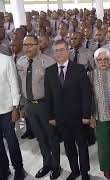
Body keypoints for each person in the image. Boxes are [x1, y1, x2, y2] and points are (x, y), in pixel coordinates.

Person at [44, 40, 92, 180]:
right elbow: (49, 96)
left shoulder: (79, 69)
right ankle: (75, 170)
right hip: (61, 118)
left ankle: (84, 172)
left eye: (61, 49)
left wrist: (86, 114)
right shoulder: (50, 71)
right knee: (69, 146)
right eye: (56, 50)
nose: (59, 53)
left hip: (78, 117)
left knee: (82, 146)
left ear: (68, 51)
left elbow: (86, 94)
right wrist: (51, 116)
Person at [16, 35, 61, 179]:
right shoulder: (21, 62)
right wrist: (22, 105)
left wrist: (54, 114)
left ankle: (56, 166)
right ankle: (46, 163)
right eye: (25, 45)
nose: (27, 48)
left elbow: (55, 90)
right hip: (30, 105)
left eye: (30, 45)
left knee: (51, 137)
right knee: (40, 138)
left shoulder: (48, 62)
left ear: (37, 46)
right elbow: (21, 84)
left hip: (45, 106)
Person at [88, 48, 110, 179]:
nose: (103, 62)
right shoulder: (90, 75)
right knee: (104, 144)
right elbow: (88, 97)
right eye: (99, 60)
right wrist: (91, 116)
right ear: (95, 61)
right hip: (99, 115)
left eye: (106, 59)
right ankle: (106, 167)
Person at [0, 53, 25, 180]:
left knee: (11, 142)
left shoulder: (6, 60)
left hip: (7, 109)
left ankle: (19, 169)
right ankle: (3, 169)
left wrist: (15, 107)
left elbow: (14, 84)